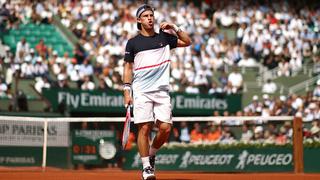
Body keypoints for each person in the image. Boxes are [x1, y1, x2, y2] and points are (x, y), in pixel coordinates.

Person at [122, 4, 191, 180]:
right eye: (145, 16)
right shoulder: (133, 43)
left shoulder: (165, 38)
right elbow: (128, 67)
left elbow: (187, 41)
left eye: (151, 15)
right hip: (141, 91)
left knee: (166, 129)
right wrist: (126, 91)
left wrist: (174, 27)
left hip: (161, 91)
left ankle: (151, 154)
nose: (149, 18)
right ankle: (146, 168)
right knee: (144, 128)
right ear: (139, 20)